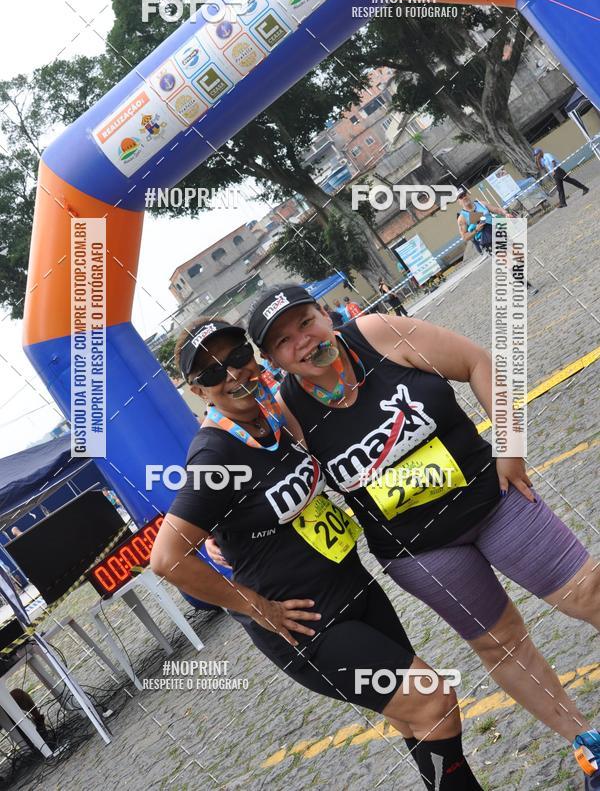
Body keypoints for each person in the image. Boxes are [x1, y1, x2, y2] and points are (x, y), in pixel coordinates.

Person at [245, 284, 600, 787]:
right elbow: (269, 484)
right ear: (274, 359)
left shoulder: (375, 335)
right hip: (422, 553)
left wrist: (511, 444)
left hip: (494, 500)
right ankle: (589, 748)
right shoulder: (289, 414)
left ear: (324, 314)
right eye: (283, 341)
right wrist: (221, 534)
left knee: (588, 592)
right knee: (502, 647)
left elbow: (477, 361)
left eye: (305, 323)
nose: (301, 342)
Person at [151, 317, 485, 790]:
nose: (231, 375)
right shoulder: (214, 455)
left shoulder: (274, 418)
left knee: (414, 718)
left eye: (238, 358)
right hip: (310, 628)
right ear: (197, 390)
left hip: (354, 590)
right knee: (433, 699)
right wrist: (257, 608)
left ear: (254, 356)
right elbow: (166, 558)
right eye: (210, 374)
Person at [457, 189, 539, 294]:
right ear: (458, 201)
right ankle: (527, 285)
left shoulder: (481, 203)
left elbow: (496, 210)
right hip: (487, 241)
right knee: (508, 262)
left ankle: (517, 276)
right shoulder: (462, 218)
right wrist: (477, 229)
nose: (464, 197)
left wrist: (505, 214)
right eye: (460, 197)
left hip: (497, 232)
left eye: (464, 194)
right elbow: (465, 237)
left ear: (468, 194)